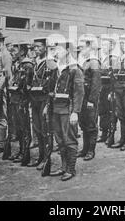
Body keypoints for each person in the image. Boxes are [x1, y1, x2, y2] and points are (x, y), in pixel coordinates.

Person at [48, 41, 85, 181]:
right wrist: (48, 106)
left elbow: (79, 93)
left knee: (69, 139)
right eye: (54, 49)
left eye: (59, 49)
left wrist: (75, 112)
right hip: (55, 108)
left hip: (67, 109)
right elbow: (51, 90)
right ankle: (63, 167)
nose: (56, 52)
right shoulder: (56, 68)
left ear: (68, 51)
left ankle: (70, 169)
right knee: (59, 139)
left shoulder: (75, 69)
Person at [28, 37, 58, 168]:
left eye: (39, 47)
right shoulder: (35, 62)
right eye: (35, 47)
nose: (36, 49)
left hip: (45, 99)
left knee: (46, 130)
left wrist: (49, 101)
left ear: (45, 48)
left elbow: (54, 82)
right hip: (35, 99)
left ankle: (47, 158)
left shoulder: (50, 62)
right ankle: (40, 156)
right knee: (37, 128)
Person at [6, 43, 34, 165]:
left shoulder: (27, 65)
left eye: (15, 49)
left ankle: (25, 152)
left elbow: (27, 85)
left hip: (22, 100)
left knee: (24, 128)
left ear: (22, 51)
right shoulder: (16, 64)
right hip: (15, 99)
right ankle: (21, 151)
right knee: (18, 127)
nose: (12, 51)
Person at [77, 37, 101, 161]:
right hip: (82, 97)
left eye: (81, 47)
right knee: (83, 123)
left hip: (89, 98)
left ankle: (91, 150)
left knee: (91, 124)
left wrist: (92, 100)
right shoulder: (83, 61)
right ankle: (85, 149)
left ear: (89, 47)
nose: (79, 49)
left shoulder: (93, 62)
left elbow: (96, 84)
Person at [97, 36, 120, 147]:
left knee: (111, 113)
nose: (103, 47)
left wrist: (113, 92)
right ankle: (104, 133)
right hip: (102, 88)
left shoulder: (114, 59)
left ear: (112, 46)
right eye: (102, 45)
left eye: (105, 45)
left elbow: (115, 78)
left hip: (109, 89)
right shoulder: (103, 58)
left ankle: (111, 135)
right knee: (102, 112)